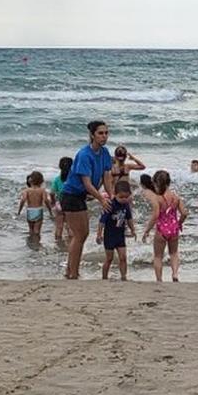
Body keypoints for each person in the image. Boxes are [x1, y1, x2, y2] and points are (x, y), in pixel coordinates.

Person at [62, 120, 114, 280]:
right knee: (80, 235)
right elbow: (86, 182)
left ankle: (70, 271)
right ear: (92, 135)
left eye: (106, 133)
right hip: (71, 195)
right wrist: (100, 199)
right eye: (100, 133)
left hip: (82, 196)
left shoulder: (105, 153)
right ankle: (73, 272)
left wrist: (110, 197)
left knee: (80, 235)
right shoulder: (84, 154)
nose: (104, 136)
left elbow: (106, 176)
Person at [143, 170, 187, 283]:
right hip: (174, 228)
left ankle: (159, 279)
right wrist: (179, 223)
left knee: (158, 256)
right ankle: (175, 274)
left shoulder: (157, 198)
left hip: (161, 229)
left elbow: (155, 215)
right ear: (169, 183)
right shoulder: (176, 197)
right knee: (174, 253)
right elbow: (184, 213)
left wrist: (147, 230)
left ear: (156, 184)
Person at [97, 179, 136, 280]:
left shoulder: (126, 205)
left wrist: (133, 230)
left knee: (123, 257)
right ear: (115, 194)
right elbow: (102, 221)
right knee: (109, 259)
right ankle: (104, 277)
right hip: (109, 236)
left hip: (120, 236)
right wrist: (99, 234)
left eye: (126, 197)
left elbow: (129, 218)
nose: (124, 199)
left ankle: (123, 276)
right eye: (121, 197)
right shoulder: (109, 205)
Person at [18, 171, 50, 239]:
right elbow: (46, 200)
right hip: (38, 210)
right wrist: (50, 210)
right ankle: (36, 243)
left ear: (30, 180)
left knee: (31, 229)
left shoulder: (26, 190)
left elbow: (23, 200)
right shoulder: (42, 190)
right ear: (41, 181)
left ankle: (31, 242)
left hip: (30, 211)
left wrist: (19, 211)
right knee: (37, 231)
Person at [49, 156, 73, 241]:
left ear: (60, 166)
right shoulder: (73, 179)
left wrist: (53, 202)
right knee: (70, 227)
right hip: (71, 204)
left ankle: (58, 245)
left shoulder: (57, 179)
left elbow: (52, 193)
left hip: (60, 204)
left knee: (59, 227)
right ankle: (70, 244)